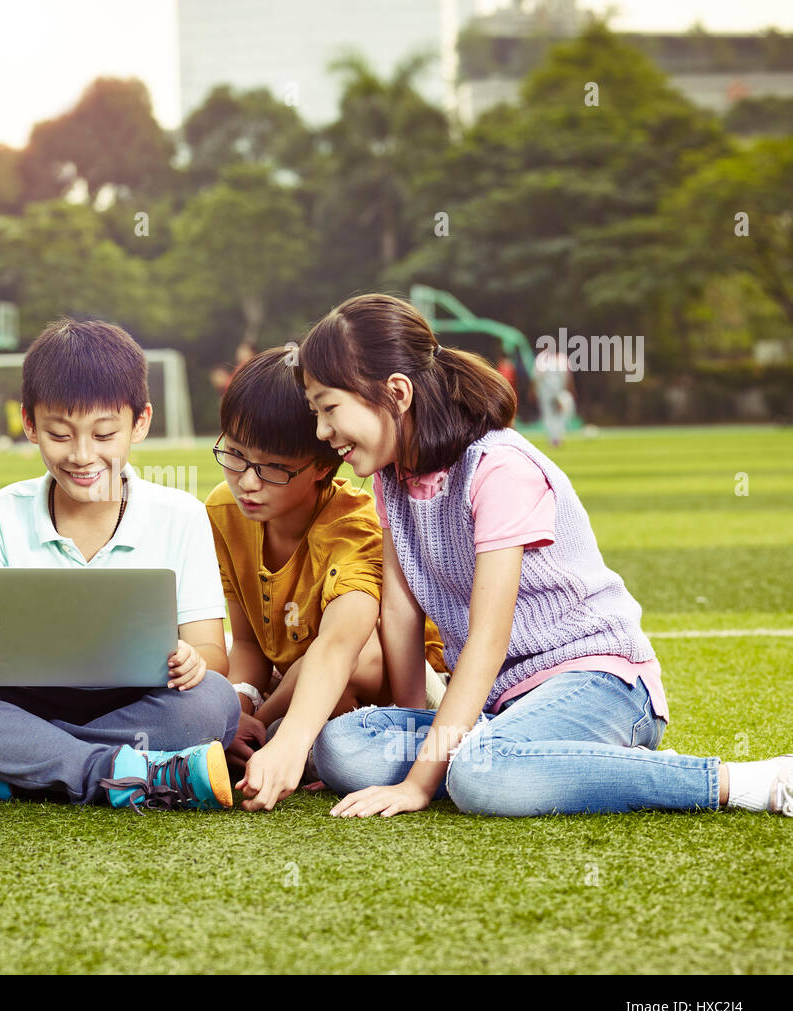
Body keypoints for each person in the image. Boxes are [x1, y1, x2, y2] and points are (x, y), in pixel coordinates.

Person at [295, 292, 792, 820]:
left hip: (601, 683)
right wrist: (414, 725)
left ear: (396, 392)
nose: (324, 432)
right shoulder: (392, 480)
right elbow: (399, 611)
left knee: (479, 775)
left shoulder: (497, 468)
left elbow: (488, 641)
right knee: (341, 746)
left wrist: (418, 783)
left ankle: (742, 780)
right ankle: (551, 760)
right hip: (498, 704)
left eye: (329, 408)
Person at [0, 318, 241, 812]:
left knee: (214, 702)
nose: (82, 456)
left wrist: (193, 659)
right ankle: (117, 772)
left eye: (104, 434)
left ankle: (3, 768)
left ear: (140, 422)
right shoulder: (2, 512)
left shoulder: (180, 514)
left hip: (136, 701)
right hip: (25, 699)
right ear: (30, 425)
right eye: (60, 434)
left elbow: (212, 651)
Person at [205, 347, 446, 808]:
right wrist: (238, 707)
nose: (247, 483)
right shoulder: (224, 510)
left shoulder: (351, 528)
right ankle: (279, 738)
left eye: (273, 468)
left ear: (323, 465)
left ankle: (283, 741)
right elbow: (251, 644)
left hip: (398, 688)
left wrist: (263, 729)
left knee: (334, 673)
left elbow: (344, 648)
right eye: (234, 455)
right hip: (305, 688)